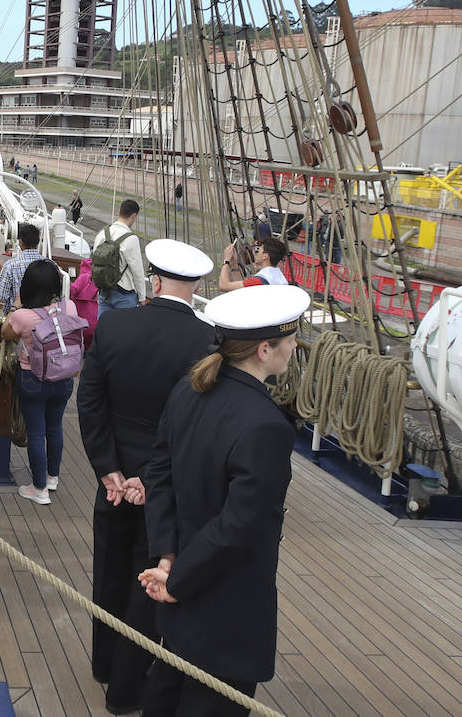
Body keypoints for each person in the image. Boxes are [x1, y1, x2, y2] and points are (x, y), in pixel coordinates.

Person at [138, 285, 310, 717]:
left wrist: (168, 557)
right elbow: (238, 526)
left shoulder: (188, 391)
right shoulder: (267, 426)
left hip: (180, 588)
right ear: (265, 350)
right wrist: (178, 582)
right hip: (223, 610)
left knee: (166, 698)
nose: (294, 347)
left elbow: (159, 475)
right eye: (289, 340)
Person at [75, 239, 215, 714]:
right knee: (151, 582)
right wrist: (155, 481)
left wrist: (108, 469)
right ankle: (128, 690)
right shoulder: (207, 343)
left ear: (153, 280)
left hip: (114, 482)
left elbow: (90, 402)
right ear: (196, 286)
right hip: (166, 486)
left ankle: (104, 664)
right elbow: (196, 426)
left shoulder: (114, 325)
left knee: (111, 572)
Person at [1, 260, 80, 505]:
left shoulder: (23, 316)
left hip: (33, 378)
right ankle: (52, 477)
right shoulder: (70, 307)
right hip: (64, 378)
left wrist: (14, 307)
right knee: (55, 428)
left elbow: (5, 332)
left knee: (36, 432)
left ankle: (39, 489)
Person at [92, 199, 146, 315]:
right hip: (124, 293)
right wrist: (142, 297)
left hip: (104, 290)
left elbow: (95, 261)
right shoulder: (131, 239)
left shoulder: (102, 234)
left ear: (120, 212)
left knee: (103, 328)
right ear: (134, 216)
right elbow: (137, 271)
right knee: (125, 331)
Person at [0, 222, 46, 313]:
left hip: (17, 317)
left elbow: (1, 295)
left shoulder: (10, 265)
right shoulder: (50, 264)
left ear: (21, 242)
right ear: (37, 242)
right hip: (44, 318)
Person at [218, 236, 289, 291]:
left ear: (265, 256)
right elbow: (241, 290)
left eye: (257, 250)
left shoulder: (260, 280)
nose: (254, 253)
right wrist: (234, 264)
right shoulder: (278, 277)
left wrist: (226, 260)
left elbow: (223, 286)